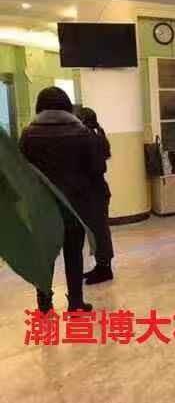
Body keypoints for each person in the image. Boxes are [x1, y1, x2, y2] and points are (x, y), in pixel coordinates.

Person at [19, 87, 103, 312]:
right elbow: (97, 169)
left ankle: (44, 302)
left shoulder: (29, 134)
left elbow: (21, 172)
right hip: (75, 206)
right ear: (67, 106)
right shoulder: (82, 133)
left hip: (42, 208)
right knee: (73, 254)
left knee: (44, 257)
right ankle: (75, 302)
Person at [76, 107, 114, 284]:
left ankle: (105, 269)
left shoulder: (91, 139)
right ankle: (101, 266)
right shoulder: (95, 136)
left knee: (100, 232)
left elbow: (97, 167)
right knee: (98, 231)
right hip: (97, 191)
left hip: (95, 193)